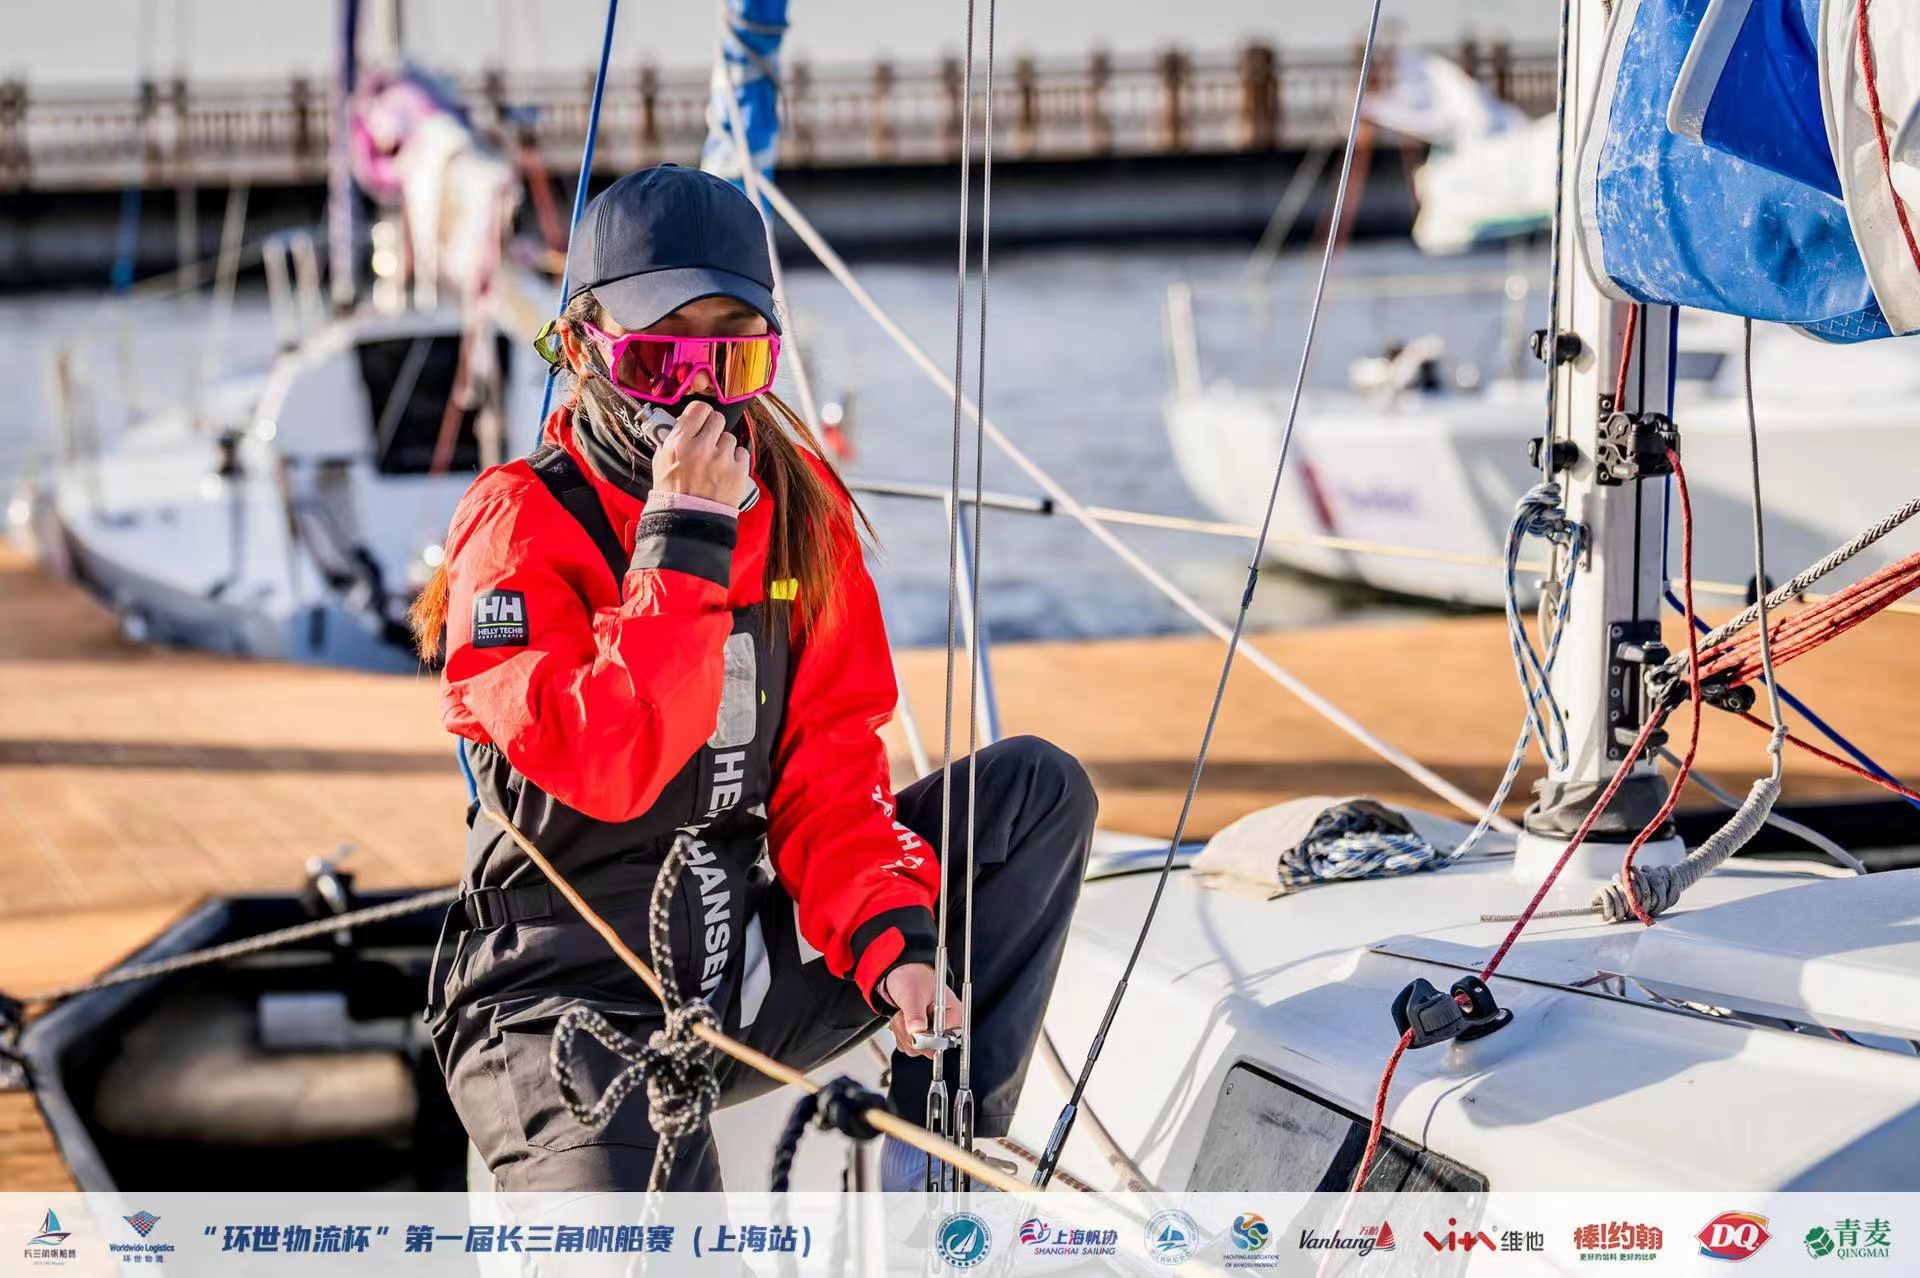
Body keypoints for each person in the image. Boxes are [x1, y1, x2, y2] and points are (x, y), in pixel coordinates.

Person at [409, 164, 1096, 1192]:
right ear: (584, 348)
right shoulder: (517, 523)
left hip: (730, 971)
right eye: (658, 359)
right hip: (559, 1002)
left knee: (1035, 794)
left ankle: (939, 1185)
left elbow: (834, 770)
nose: (696, 395)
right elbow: (606, 766)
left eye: (730, 359)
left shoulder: (798, 508)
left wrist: (893, 938)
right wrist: (683, 539)